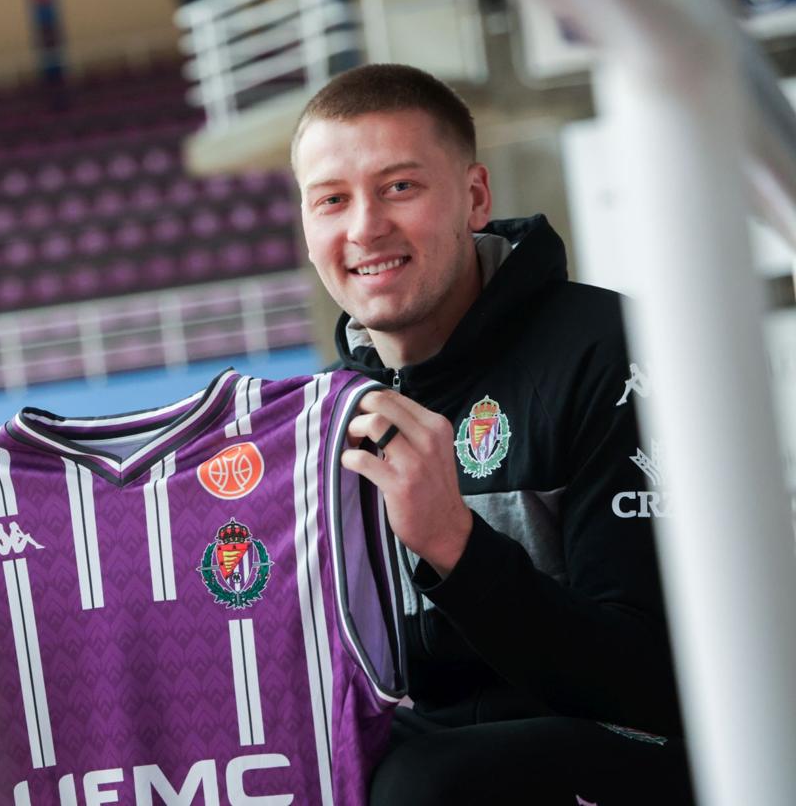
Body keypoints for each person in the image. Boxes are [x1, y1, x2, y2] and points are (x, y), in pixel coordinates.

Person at [291, 63, 695, 805]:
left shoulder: (613, 350)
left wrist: (455, 545)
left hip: (641, 751)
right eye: (331, 201)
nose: (365, 226)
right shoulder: (318, 416)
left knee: (420, 787)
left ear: (475, 198)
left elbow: (656, 680)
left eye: (399, 187)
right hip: (425, 757)